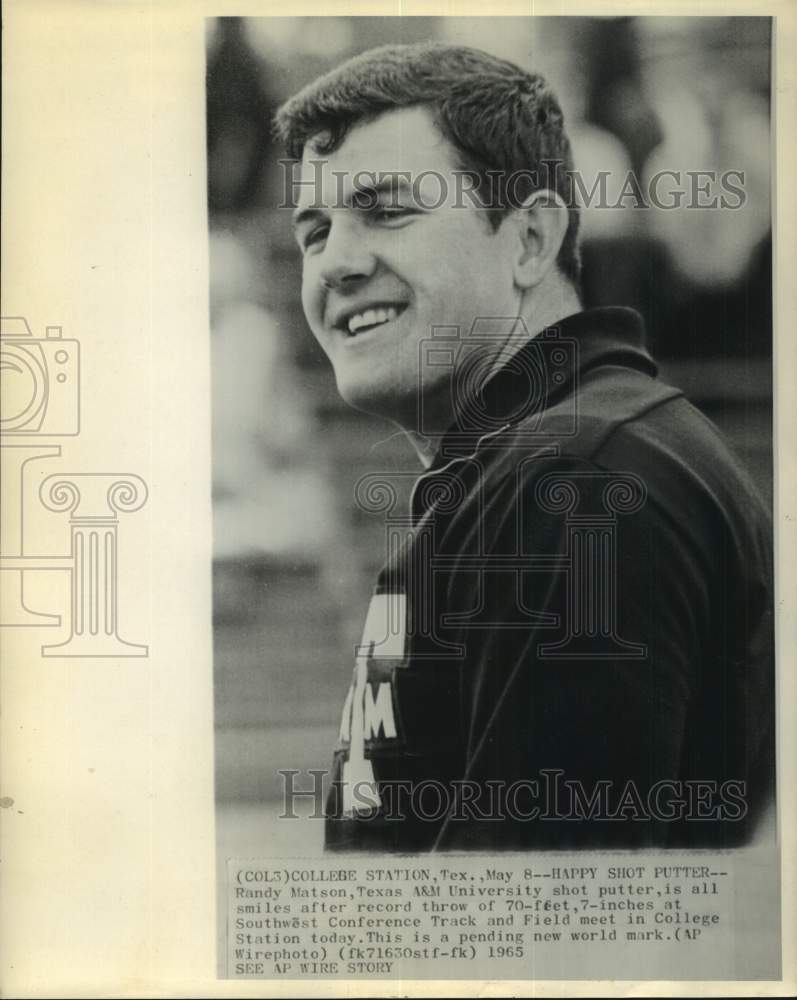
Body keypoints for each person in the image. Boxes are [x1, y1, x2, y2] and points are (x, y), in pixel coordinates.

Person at [274, 43, 774, 851]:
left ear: (531, 239)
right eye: (313, 230)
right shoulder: (532, 465)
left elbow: (537, 956)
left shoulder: (578, 479)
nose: (335, 262)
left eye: (387, 210)